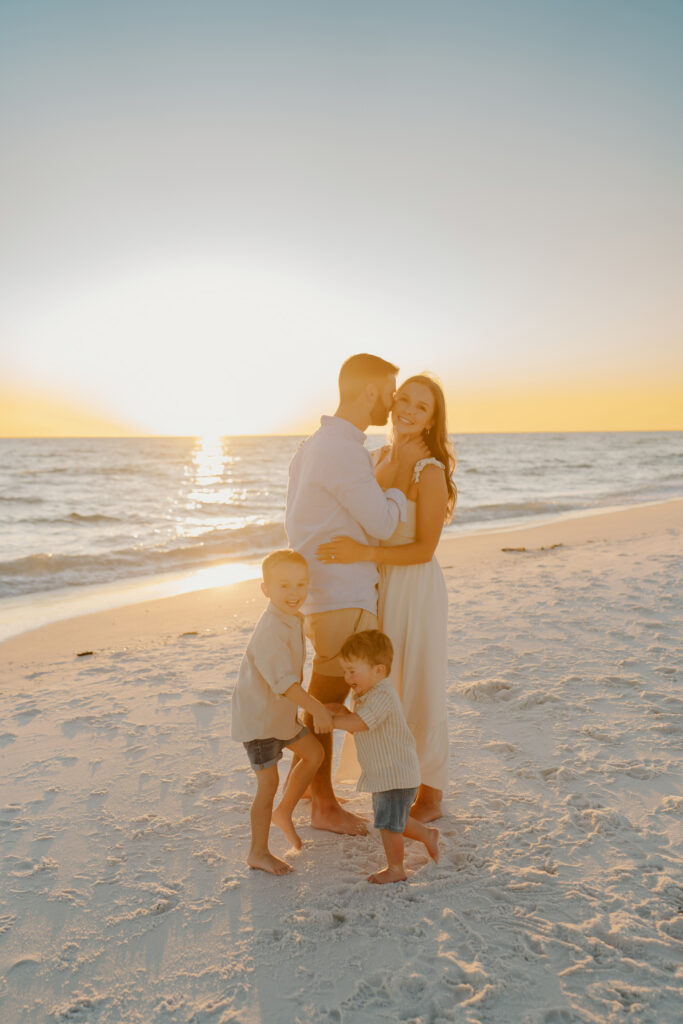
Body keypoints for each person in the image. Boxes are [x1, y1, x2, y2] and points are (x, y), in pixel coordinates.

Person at [285, 353, 429, 835]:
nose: (393, 402)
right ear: (370, 391)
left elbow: (304, 517)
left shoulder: (313, 445)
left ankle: (313, 790)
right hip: (343, 597)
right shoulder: (344, 451)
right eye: (391, 390)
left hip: (324, 597)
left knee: (319, 701)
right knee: (327, 706)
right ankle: (323, 804)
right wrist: (401, 472)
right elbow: (385, 522)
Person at [317, 374, 456, 822]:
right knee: (385, 686)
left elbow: (424, 549)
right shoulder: (379, 457)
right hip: (379, 587)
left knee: (418, 683)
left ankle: (431, 793)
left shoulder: (428, 470)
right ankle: (393, 775)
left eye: (422, 408)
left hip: (414, 587)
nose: (409, 411)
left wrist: (362, 553)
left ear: (433, 420)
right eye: (405, 401)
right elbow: (363, 515)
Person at [230, 549, 332, 876]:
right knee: (267, 783)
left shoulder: (292, 618)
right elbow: (285, 683)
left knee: (313, 753)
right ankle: (257, 852)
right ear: (266, 590)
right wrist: (317, 709)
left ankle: (284, 811)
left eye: (301, 585)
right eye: (284, 586)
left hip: (281, 716)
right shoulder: (269, 630)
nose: (294, 593)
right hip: (260, 719)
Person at [329, 630, 439, 884]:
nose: (347, 678)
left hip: (395, 774)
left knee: (388, 825)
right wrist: (342, 711)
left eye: (352, 671)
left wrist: (332, 721)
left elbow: (360, 723)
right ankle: (427, 834)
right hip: (386, 774)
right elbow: (362, 720)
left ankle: (396, 868)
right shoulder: (368, 693)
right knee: (391, 819)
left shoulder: (381, 695)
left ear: (379, 670)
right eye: (345, 671)